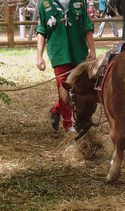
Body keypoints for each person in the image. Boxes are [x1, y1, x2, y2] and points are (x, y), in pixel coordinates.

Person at [36, 0, 96, 132]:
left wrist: (92, 50)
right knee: (63, 87)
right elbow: (41, 31)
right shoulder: (44, 4)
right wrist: (39, 56)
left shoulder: (80, 2)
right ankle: (68, 125)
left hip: (79, 53)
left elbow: (87, 26)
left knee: (80, 89)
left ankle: (56, 110)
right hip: (59, 53)